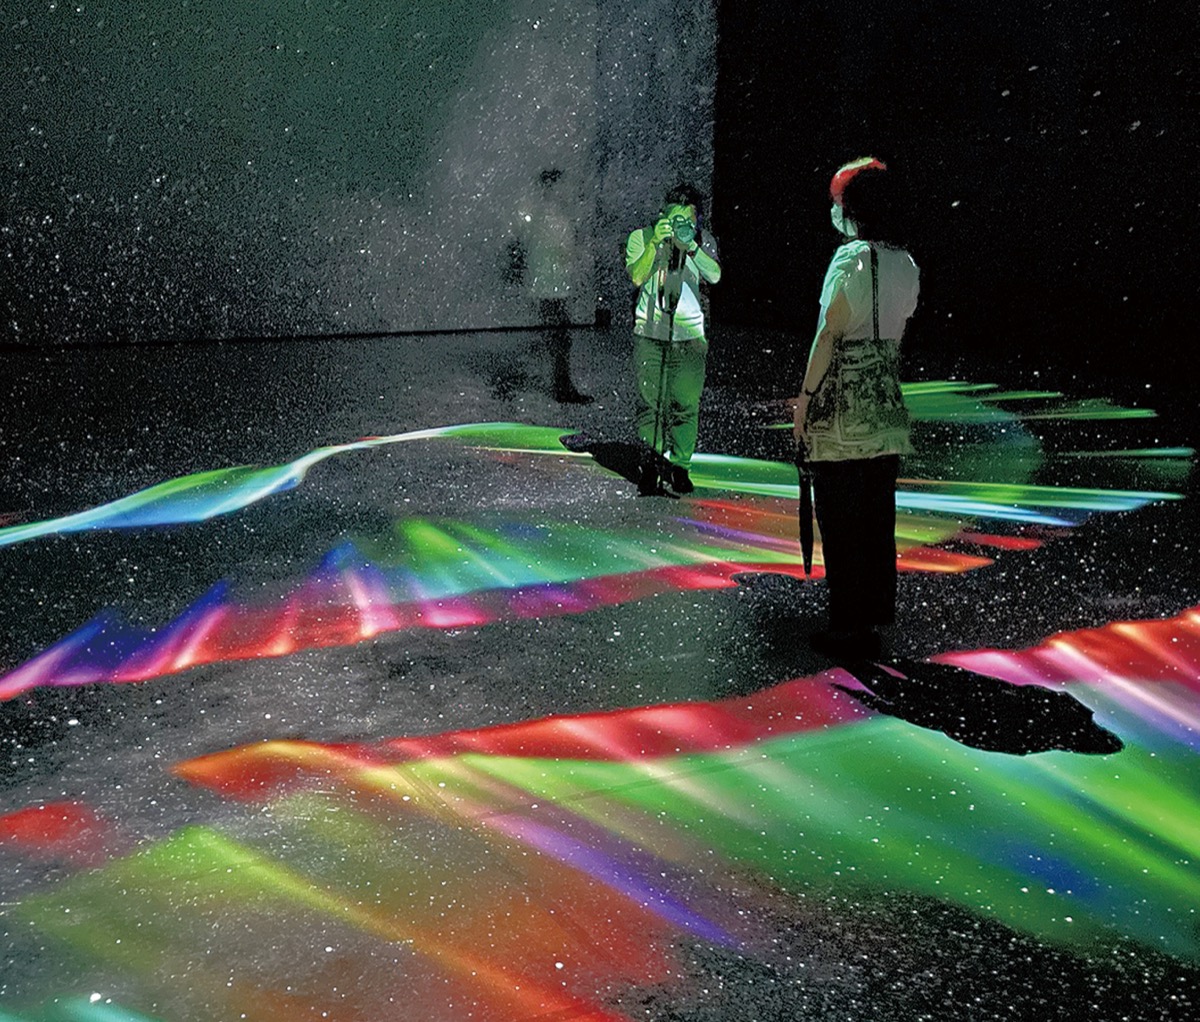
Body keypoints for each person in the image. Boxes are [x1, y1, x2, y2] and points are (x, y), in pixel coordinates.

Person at [792, 158, 920, 659]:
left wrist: (804, 400)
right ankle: (871, 616)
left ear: (853, 210)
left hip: (843, 411)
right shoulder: (906, 264)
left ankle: (847, 625)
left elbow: (829, 334)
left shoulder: (850, 260)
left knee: (841, 521)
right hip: (886, 407)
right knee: (876, 519)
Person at [624, 184, 721, 496]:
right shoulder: (641, 237)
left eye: (687, 220)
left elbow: (715, 276)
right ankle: (650, 462)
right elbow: (636, 277)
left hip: (689, 335)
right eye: (674, 218)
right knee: (650, 403)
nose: (680, 225)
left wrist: (691, 246)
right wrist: (656, 242)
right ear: (662, 214)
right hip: (650, 333)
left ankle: (680, 465)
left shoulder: (702, 241)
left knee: (685, 403)